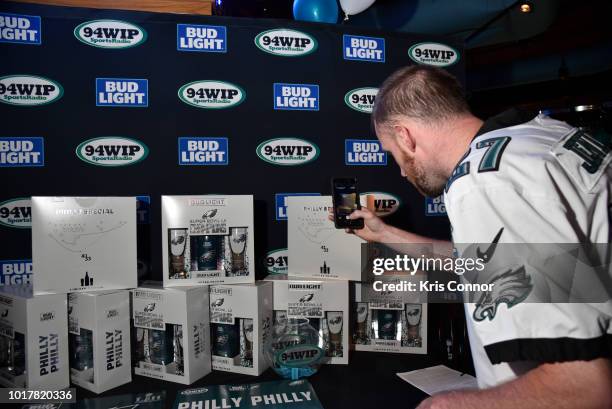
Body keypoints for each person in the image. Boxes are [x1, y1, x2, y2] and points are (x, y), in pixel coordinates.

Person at [343, 65, 612, 408]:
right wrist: (384, 232)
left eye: (393, 153)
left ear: (406, 136)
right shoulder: (538, 137)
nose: (400, 169)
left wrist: (447, 405)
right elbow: (486, 263)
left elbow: (585, 386)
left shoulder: (486, 180)